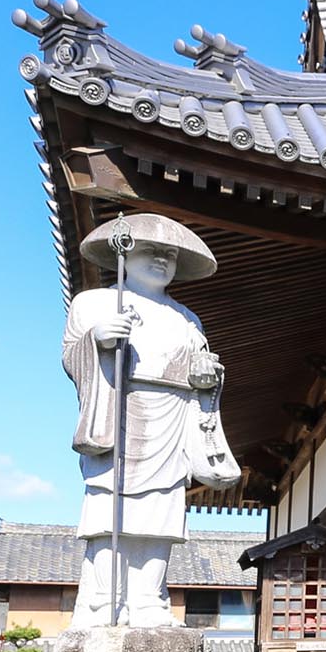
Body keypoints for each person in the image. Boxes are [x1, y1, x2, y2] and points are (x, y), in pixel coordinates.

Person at [64, 214, 240, 628]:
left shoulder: (186, 318)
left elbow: (201, 372)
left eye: (169, 255)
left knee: (163, 510)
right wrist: (100, 339)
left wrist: (205, 375)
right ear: (124, 255)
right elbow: (73, 354)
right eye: (151, 251)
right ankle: (103, 600)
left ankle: (148, 599)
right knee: (112, 504)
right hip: (121, 410)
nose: (162, 260)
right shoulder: (96, 302)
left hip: (174, 414)